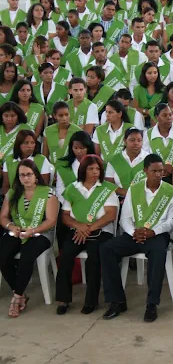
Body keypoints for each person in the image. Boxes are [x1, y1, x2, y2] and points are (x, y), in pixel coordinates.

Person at [100, 154, 173, 322]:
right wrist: (133, 232)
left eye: (161, 171)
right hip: (135, 233)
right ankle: (117, 300)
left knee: (158, 253)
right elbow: (125, 218)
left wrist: (153, 232)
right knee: (107, 248)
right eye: (154, 171)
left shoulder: (171, 192)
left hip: (157, 235)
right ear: (145, 171)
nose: (158, 175)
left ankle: (152, 304)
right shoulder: (134, 189)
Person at [56, 155, 118, 315]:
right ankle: (63, 299)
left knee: (94, 258)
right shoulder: (72, 188)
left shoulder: (107, 189)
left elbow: (110, 215)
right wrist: (79, 226)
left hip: (101, 232)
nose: (95, 172)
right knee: (65, 256)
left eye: (98, 168)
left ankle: (91, 301)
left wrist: (88, 229)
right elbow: (65, 216)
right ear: (83, 170)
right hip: (77, 231)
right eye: (91, 168)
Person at [0, 160, 58, 318]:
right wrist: (11, 227)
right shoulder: (12, 193)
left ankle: (17, 297)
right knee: (3, 256)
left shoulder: (48, 192)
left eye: (28, 174)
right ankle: (20, 293)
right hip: (18, 231)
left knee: (27, 256)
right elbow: (3, 217)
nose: (25, 178)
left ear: (36, 176)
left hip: (41, 233)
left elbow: (51, 220)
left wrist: (33, 230)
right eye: (22, 175)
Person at [2, 130, 53, 196]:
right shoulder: (9, 160)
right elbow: (6, 186)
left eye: (32, 143)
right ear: (18, 144)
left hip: (36, 198)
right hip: (14, 197)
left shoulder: (42, 160)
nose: (30, 146)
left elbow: (44, 186)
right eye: (26, 143)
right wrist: (12, 199)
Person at [104, 127, 148, 197]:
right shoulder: (114, 160)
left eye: (139, 140)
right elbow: (109, 183)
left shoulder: (149, 158)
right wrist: (127, 194)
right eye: (132, 140)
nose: (136, 143)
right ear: (125, 141)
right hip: (120, 198)